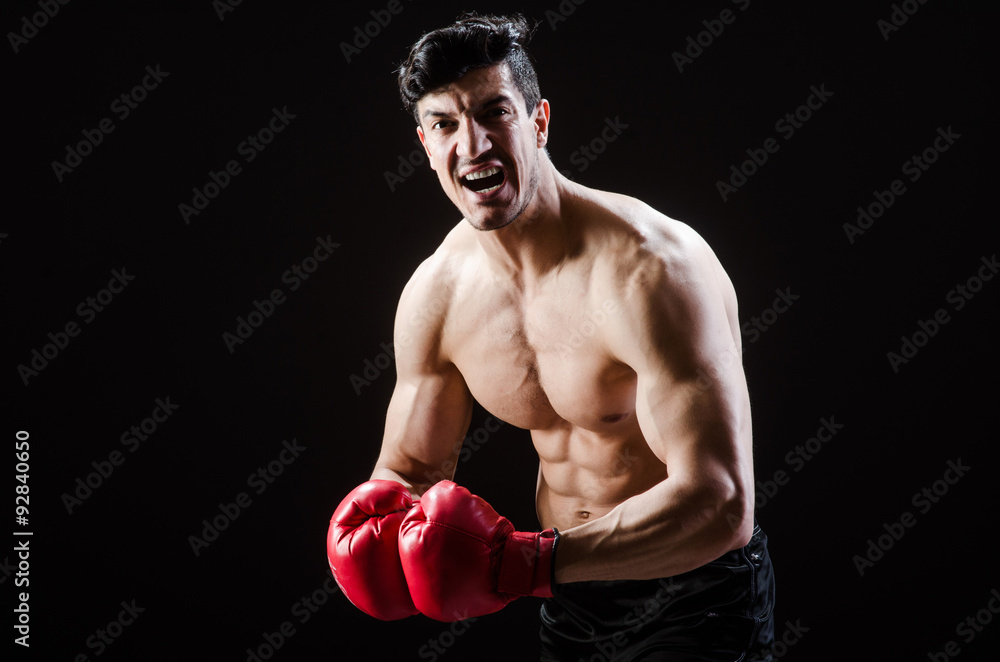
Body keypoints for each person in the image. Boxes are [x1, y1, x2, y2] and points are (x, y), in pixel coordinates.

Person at [327, 13, 775, 661]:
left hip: (695, 594)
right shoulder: (438, 294)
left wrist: (527, 564)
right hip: (567, 597)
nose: (473, 145)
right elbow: (413, 470)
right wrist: (382, 529)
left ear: (538, 122)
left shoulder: (652, 270)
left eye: (494, 113)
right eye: (446, 124)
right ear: (425, 145)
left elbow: (720, 502)